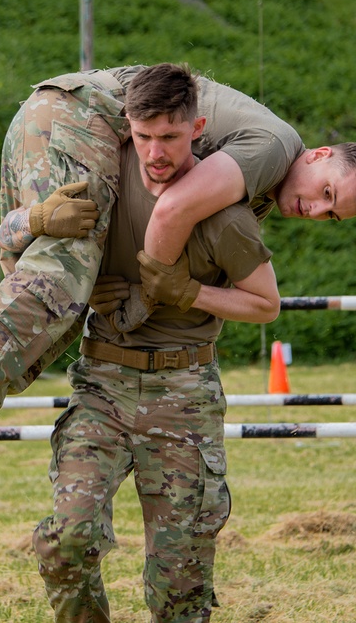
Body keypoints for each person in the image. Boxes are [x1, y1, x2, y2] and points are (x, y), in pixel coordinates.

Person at [0, 63, 356, 509]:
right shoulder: (275, 150)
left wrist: (112, 280)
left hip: (58, 111)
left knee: (68, 279)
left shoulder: (263, 180)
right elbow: (174, 209)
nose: (315, 209)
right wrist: (143, 301)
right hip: (79, 115)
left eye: (330, 214)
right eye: (326, 192)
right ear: (319, 155)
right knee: (68, 258)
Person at [32, 63, 278, 622]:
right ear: (126, 128)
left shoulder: (225, 215)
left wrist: (190, 293)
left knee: (182, 581)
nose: (156, 152)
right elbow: (21, 239)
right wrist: (82, 280)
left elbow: (266, 303)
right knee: (66, 541)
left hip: (184, 391)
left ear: (198, 127)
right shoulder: (102, 180)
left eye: (170, 136)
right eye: (143, 136)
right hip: (103, 386)